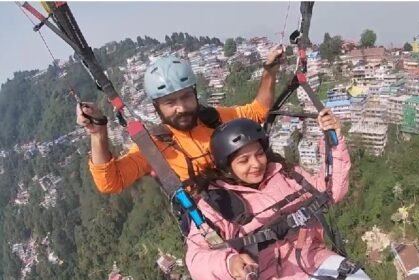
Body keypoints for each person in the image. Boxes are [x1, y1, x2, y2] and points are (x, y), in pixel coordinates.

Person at [184, 114, 413, 280]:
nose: (256, 164)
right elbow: (197, 258)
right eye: (244, 160)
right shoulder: (215, 205)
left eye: (259, 154)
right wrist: (228, 263)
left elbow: (331, 190)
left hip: (318, 263)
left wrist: (334, 142)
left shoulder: (287, 175)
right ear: (227, 166)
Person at [76, 46, 284, 193]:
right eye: (170, 102)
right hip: (214, 223)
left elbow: (258, 111)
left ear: (195, 94)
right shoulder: (154, 146)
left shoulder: (214, 118)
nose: (181, 108)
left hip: (250, 199)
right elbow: (110, 182)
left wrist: (269, 72)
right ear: (157, 107)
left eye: (186, 97)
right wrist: (98, 133)